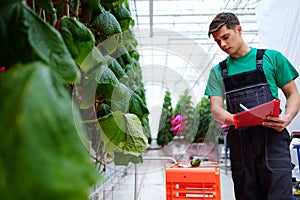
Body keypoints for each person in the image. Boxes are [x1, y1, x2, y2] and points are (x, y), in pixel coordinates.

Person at [205, 12, 300, 200]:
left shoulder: (271, 58)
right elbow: (216, 109)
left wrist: (287, 118)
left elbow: (293, 94)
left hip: (272, 140)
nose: (222, 44)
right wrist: (238, 120)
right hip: (241, 145)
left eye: (226, 37)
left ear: (239, 30)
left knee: (279, 195)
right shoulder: (218, 72)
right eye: (217, 41)